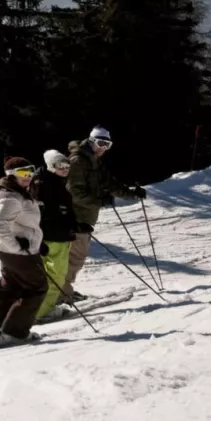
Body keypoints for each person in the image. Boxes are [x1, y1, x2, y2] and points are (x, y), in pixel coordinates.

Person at [62, 126, 147, 303]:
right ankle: (60, 295)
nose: (103, 148)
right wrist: (100, 202)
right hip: (74, 218)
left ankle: (63, 290)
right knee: (74, 258)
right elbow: (75, 193)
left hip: (85, 217)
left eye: (107, 145)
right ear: (92, 140)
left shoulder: (93, 160)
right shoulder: (78, 161)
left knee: (74, 257)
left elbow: (109, 183)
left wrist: (131, 194)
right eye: (101, 143)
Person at [0, 156, 48, 347]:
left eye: (31, 172)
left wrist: (35, 241)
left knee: (10, 287)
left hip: (8, 250)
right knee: (37, 288)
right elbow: (1, 227)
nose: (28, 177)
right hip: (17, 253)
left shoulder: (16, 192)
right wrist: (18, 247)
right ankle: (13, 333)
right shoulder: (12, 198)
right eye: (23, 173)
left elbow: (20, 224)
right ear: (11, 176)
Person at [33, 148, 78, 323]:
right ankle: (43, 311)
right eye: (60, 165)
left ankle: (39, 308)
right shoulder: (44, 184)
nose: (65, 169)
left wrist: (73, 223)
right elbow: (46, 212)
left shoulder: (51, 180)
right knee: (57, 274)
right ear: (51, 166)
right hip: (53, 236)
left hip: (54, 233)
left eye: (67, 166)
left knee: (48, 274)